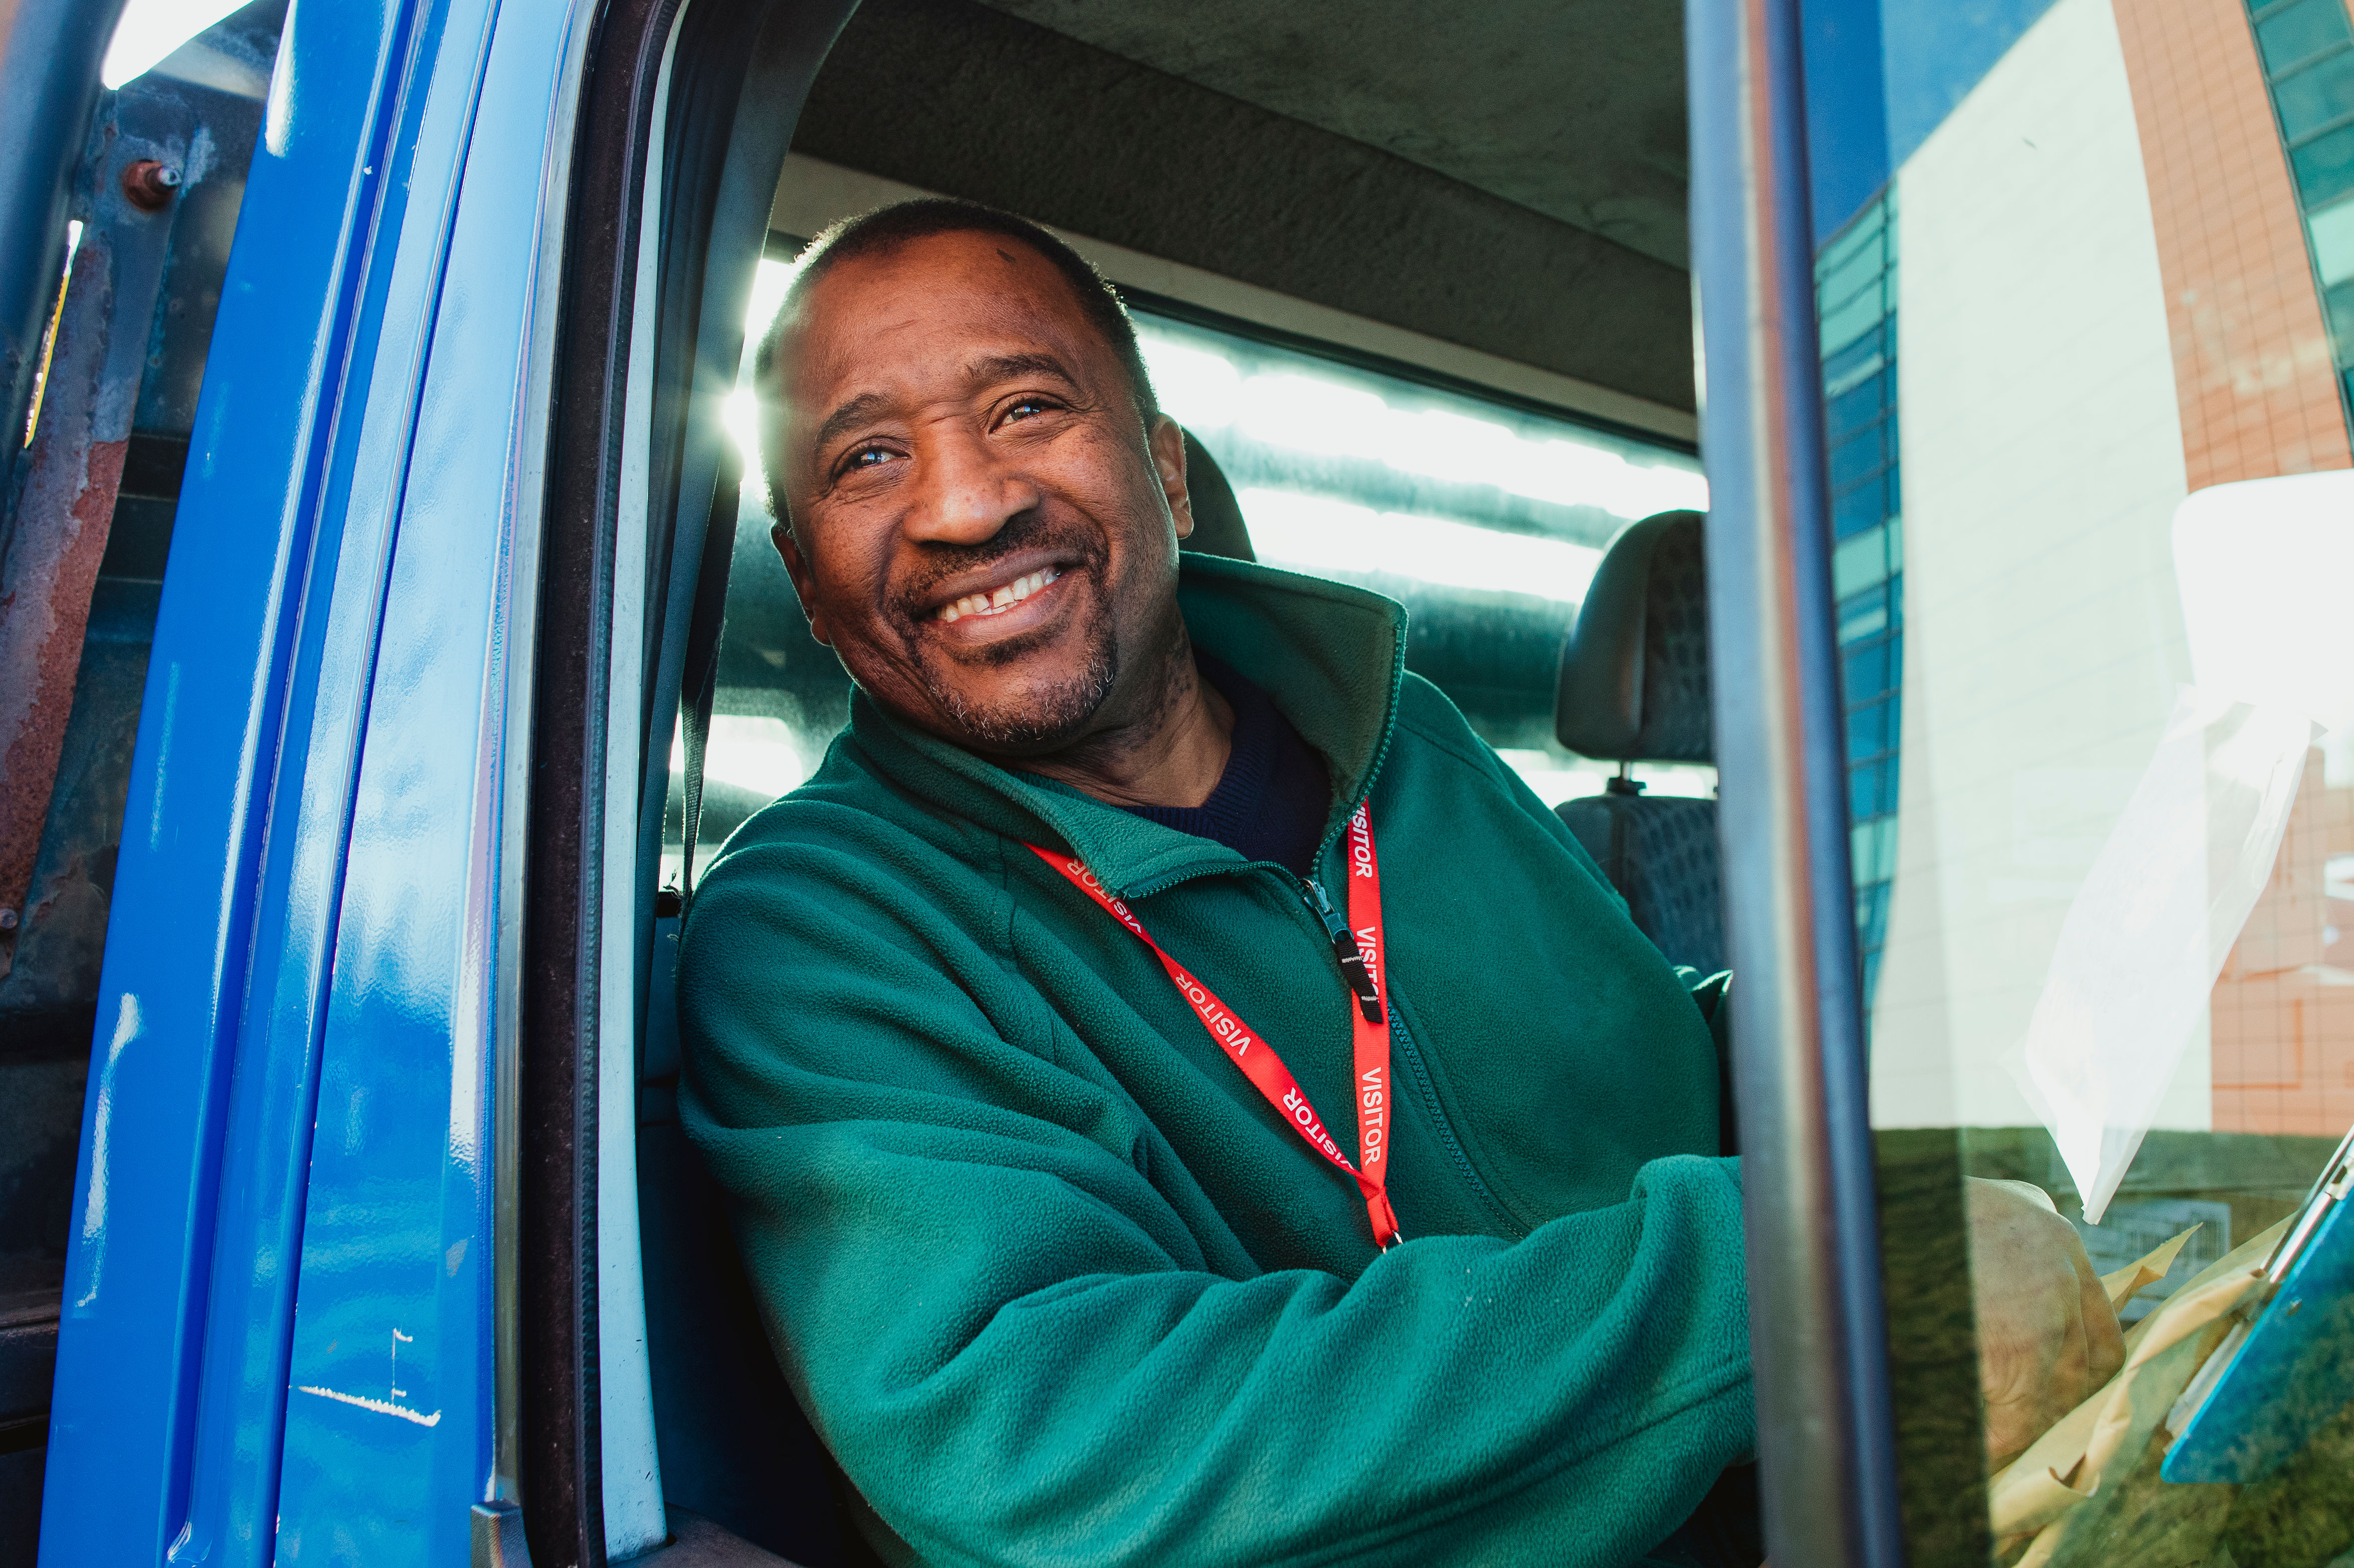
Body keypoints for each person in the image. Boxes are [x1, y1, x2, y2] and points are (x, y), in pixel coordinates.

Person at [676, 198, 2124, 1566]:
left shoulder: (1401, 741)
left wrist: (1973, 1025)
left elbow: (1637, 1077)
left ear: (1164, 466)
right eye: (869, 459)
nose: (967, 504)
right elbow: (1056, 1455)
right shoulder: (820, 928)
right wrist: (1802, 1288)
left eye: (1026, 408)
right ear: (811, 587)